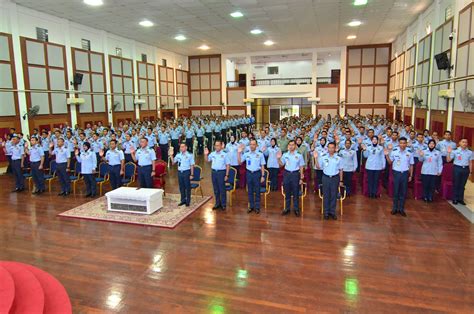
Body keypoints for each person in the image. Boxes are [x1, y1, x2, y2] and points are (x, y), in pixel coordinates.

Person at [384, 137, 414, 216]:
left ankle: (401, 209)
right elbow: (390, 162)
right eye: (401, 143)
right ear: (399, 144)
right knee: (396, 191)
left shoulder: (409, 152)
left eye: (404, 143)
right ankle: (394, 208)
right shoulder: (394, 152)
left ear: (406, 144)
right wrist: (387, 155)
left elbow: (411, 165)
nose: (402, 145)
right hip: (396, 173)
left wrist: (411, 175)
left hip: (405, 173)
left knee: (403, 192)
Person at [313, 142, 343, 220]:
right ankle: (326, 212)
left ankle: (332, 212)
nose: (331, 149)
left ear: (335, 148)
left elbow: (341, 170)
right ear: (327, 148)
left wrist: (341, 180)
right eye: (329, 147)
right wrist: (315, 158)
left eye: (332, 147)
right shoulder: (323, 157)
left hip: (335, 178)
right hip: (325, 178)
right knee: (326, 195)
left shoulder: (338, 158)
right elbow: (318, 167)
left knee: (334, 195)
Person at [277, 140, 305, 216]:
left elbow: (301, 166)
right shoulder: (285, 155)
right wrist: (278, 159)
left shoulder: (299, 155)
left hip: (295, 174)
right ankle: (287, 208)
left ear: (295, 146)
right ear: (288, 146)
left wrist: (301, 178)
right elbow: (281, 165)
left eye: (293, 145)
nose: (291, 146)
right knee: (287, 192)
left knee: (296, 192)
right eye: (290, 145)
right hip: (287, 174)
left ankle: (296, 209)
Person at [238, 139, 266, 214]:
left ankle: (257, 207)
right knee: (249, 191)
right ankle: (251, 206)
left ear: (256, 145)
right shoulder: (246, 154)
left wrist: (263, 176)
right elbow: (240, 162)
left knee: (257, 191)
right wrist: (239, 153)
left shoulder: (260, 154)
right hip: (249, 173)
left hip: (257, 174)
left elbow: (262, 165)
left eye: (254, 144)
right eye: (251, 144)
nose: (252, 146)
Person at [204, 140, 230, 211]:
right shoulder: (212, 154)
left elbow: (228, 165)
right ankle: (217, 203)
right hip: (214, 172)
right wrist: (206, 154)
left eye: (218, 145)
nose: (216, 147)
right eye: (215, 145)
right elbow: (207, 160)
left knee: (222, 189)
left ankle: (223, 204)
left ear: (221, 146)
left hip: (221, 173)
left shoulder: (225, 154)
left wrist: (227, 175)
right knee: (216, 189)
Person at [447, 138, 473, 205]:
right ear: (459, 143)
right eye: (463, 142)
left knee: (462, 185)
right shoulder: (455, 151)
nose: (464, 143)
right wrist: (449, 153)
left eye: (466, 142)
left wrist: (470, 172)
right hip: (457, 168)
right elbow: (448, 160)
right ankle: (455, 198)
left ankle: (460, 199)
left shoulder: (470, 152)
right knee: (456, 184)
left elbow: (470, 162)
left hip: (465, 169)